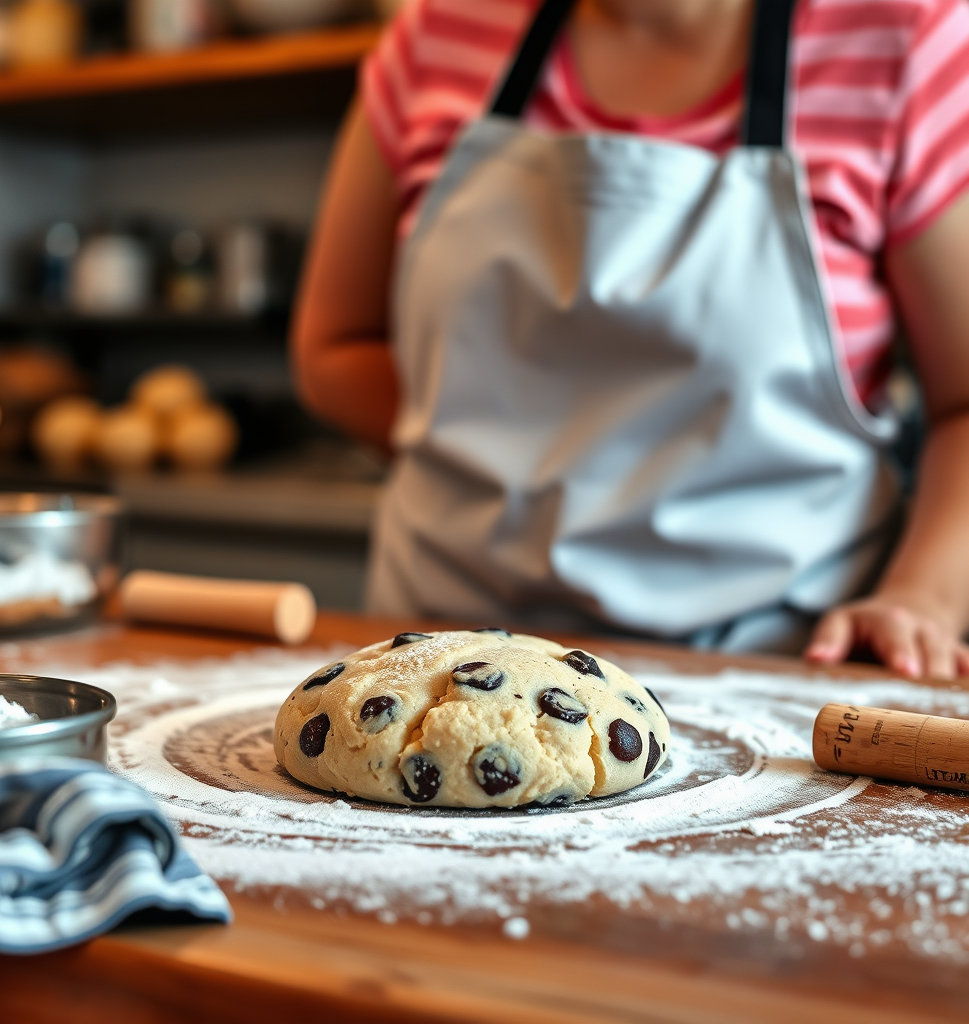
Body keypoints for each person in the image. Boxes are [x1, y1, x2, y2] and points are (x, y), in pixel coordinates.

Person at [292, 0, 969, 679]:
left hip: (775, 665)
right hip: (447, 656)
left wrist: (920, 600)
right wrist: (537, 461)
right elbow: (334, 348)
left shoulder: (899, 36)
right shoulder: (439, 34)